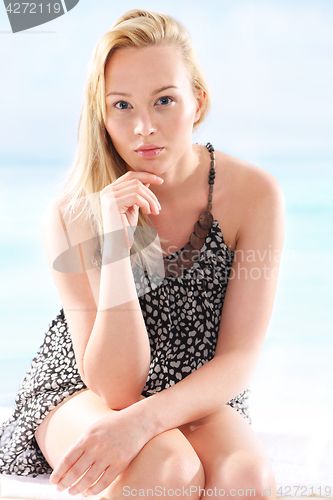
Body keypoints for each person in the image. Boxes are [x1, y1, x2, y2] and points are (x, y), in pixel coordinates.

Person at [0, 9, 285, 500]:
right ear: (102, 113)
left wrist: (143, 421)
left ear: (197, 101)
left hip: (199, 386)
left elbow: (239, 358)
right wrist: (115, 241)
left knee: (247, 481)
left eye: (164, 101)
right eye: (123, 106)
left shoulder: (252, 194)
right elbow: (116, 388)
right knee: (166, 468)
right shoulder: (72, 214)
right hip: (83, 384)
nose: (144, 128)